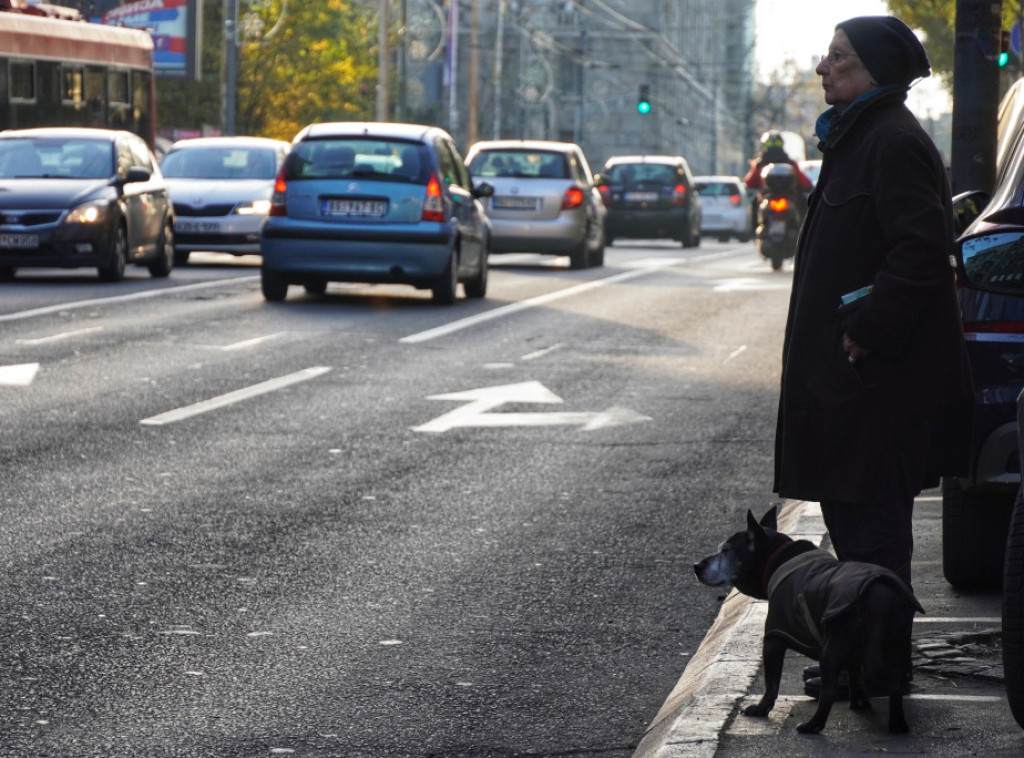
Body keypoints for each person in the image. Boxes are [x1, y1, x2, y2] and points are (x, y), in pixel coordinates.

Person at [773, 15, 974, 593]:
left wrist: (865, 332)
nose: (821, 67)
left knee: (875, 535)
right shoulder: (860, 135)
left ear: (874, 71)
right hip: (853, 387)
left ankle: (877, 663)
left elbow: (921, 251)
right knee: (856, 529)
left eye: (837, 57)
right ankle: (862, 657)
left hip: (875, 388)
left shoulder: (892, 141)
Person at [743, 131, 813, 192]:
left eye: (777, 143)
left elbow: (748, 185)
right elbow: (805, 183)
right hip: (784, 198)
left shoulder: (759, 165)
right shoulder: (791, 164)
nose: (774, 146)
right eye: (770, 143)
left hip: (770, 198)